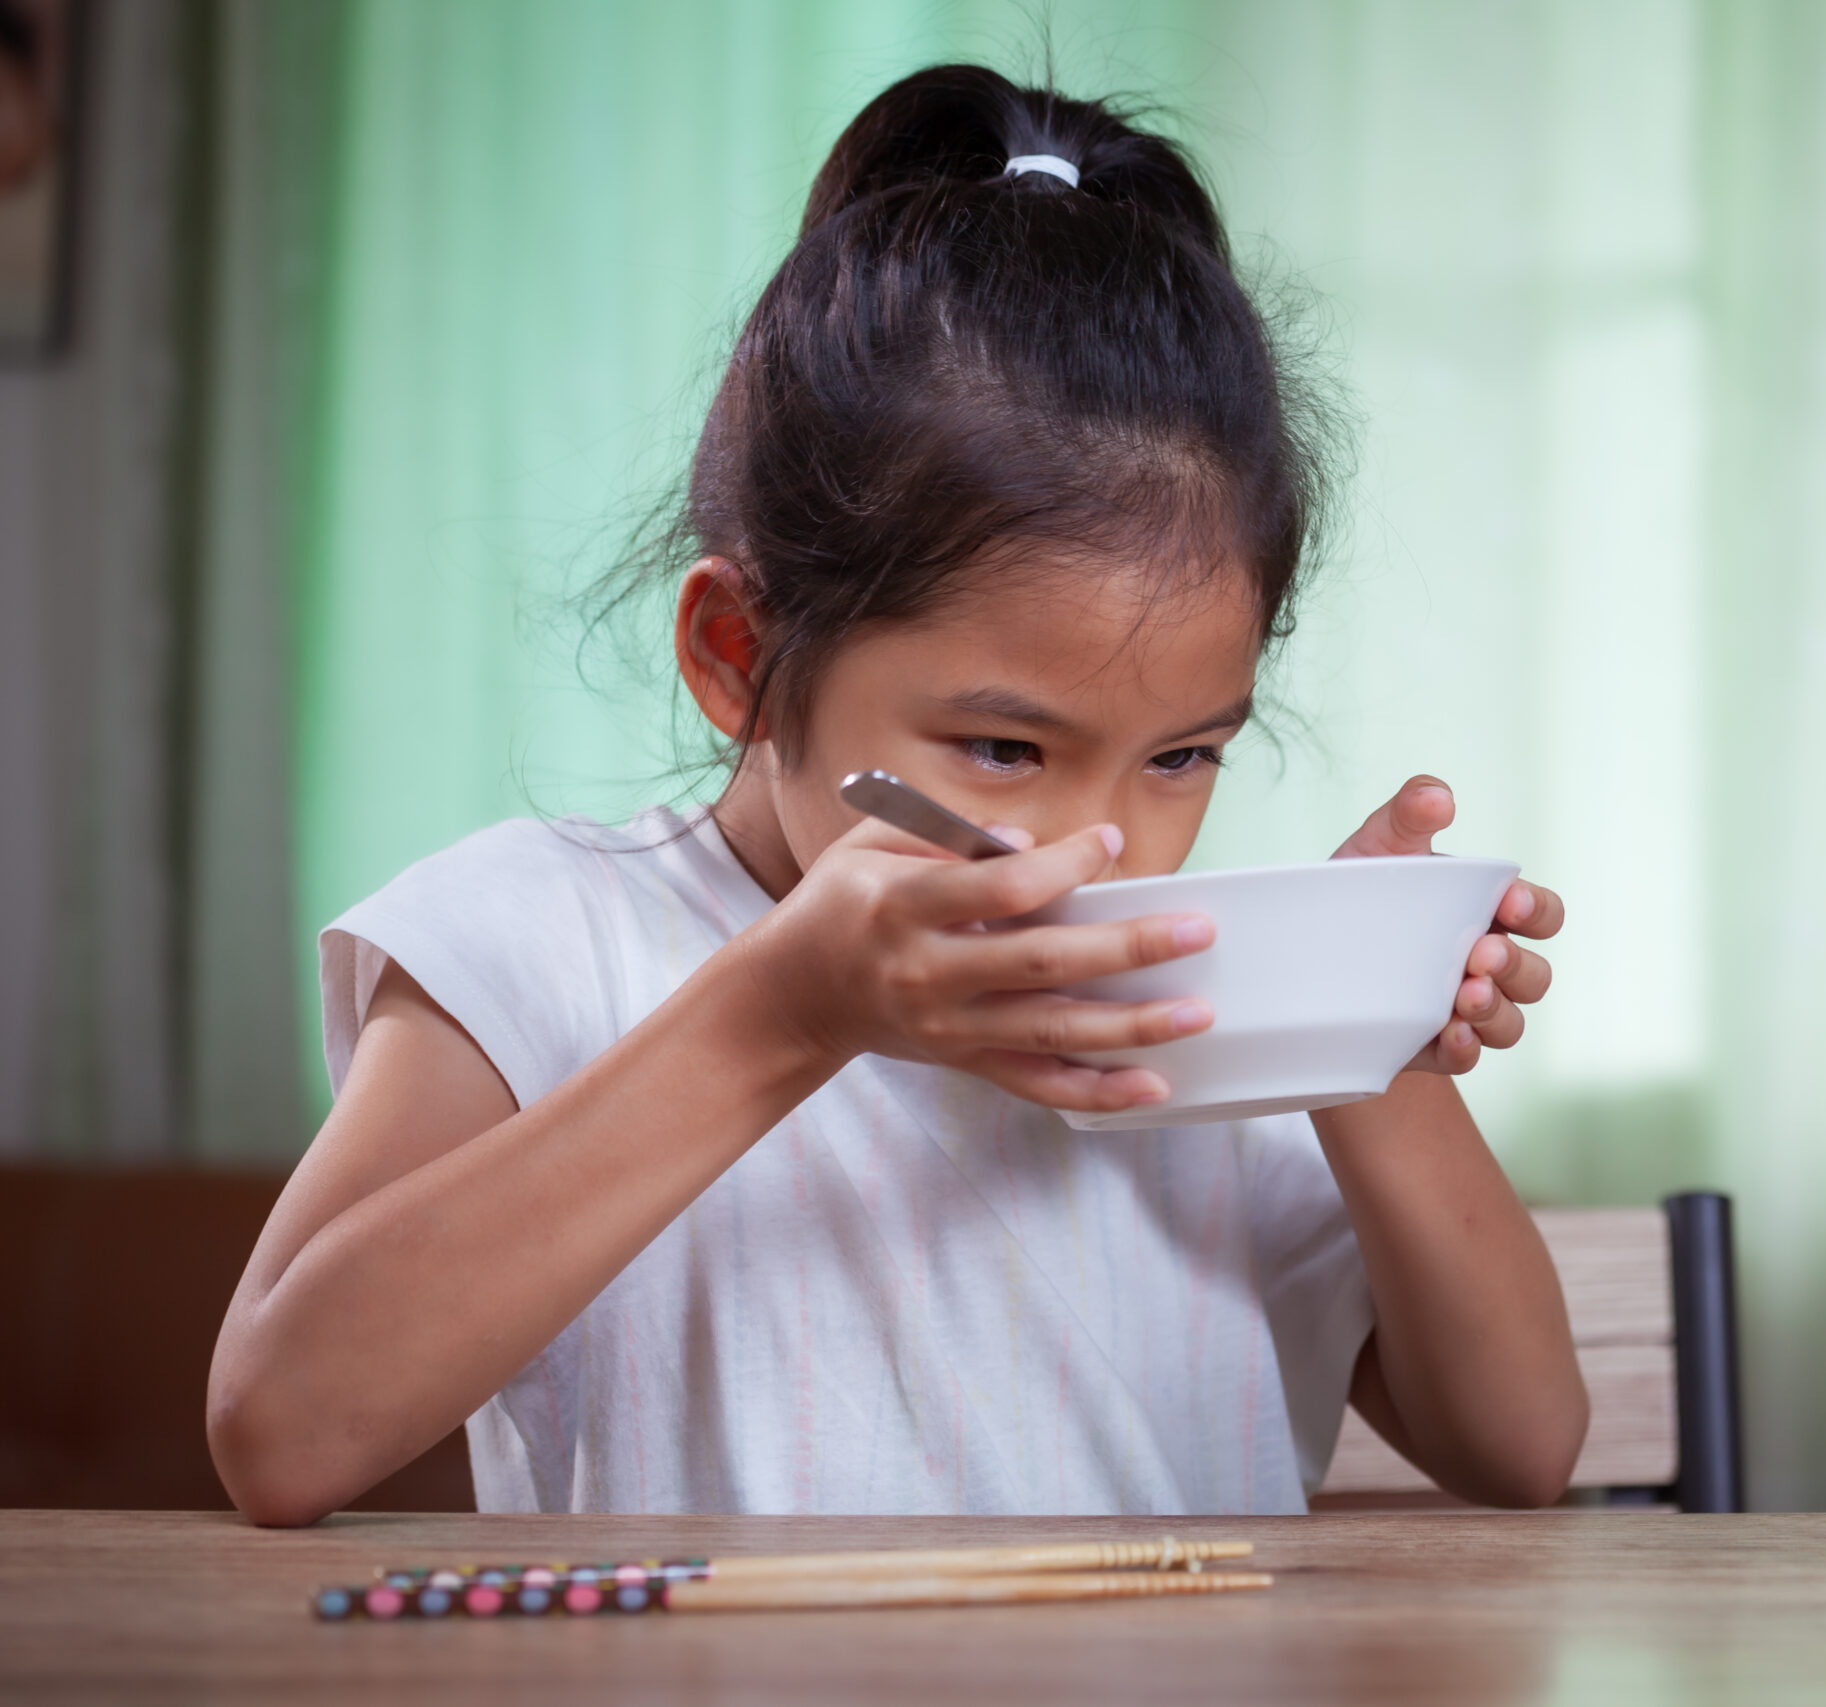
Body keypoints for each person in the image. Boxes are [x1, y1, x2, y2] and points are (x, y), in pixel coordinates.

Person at [207, 65, 1585, 1524]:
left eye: (1182, 757)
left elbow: (1520, 1442)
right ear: (740, 656)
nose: (1100, 853)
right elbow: (281, 1431)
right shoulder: (539, 940)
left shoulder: (1192, 1002)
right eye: (1003, 751)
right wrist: (781, 1015)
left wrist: (1372, 1032)